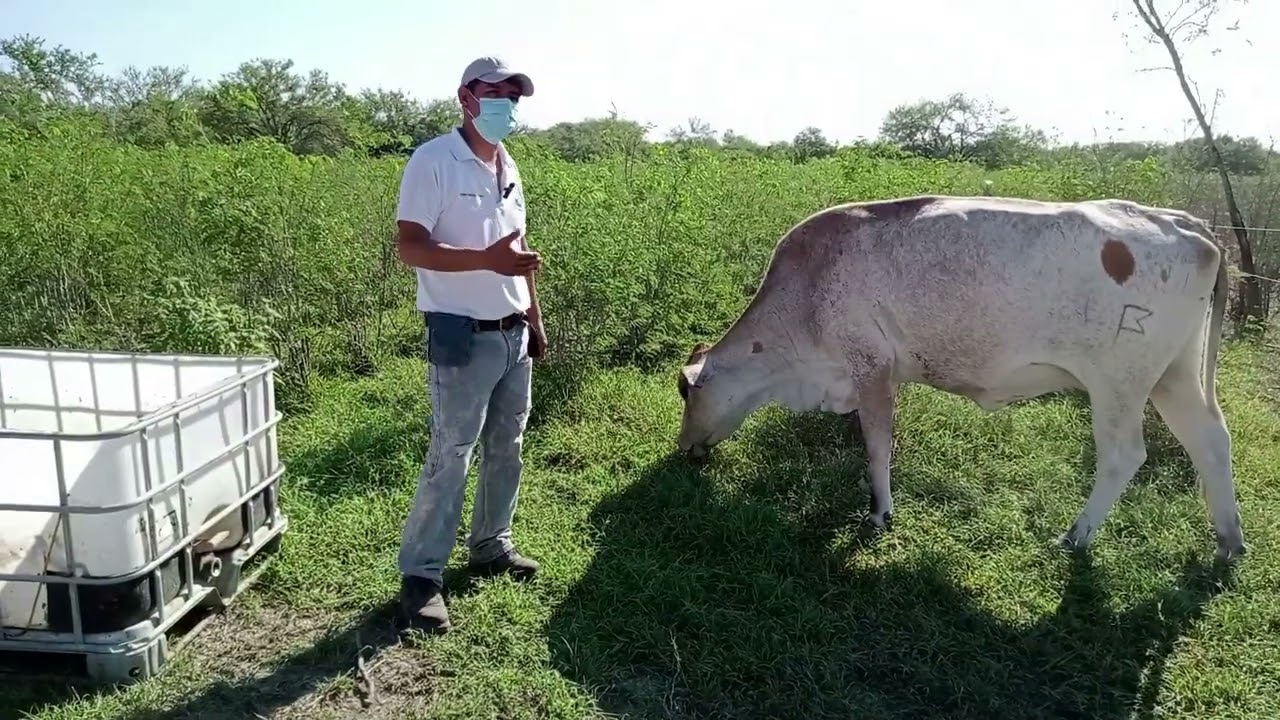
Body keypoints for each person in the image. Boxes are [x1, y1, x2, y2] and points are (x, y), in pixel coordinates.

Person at [392, 55, 548, 635]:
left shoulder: (508, 164)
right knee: (450, 454)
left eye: (515, 95)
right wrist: (485, 261)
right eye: (495, 93)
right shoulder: (434, 161)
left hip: (511, 333)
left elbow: (518, 249)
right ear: (466, 97)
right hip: (460, 333)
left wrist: (534, 316)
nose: (507, 104)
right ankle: (422, 577)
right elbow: (410, 246)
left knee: (507, 445)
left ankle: (491, 545)